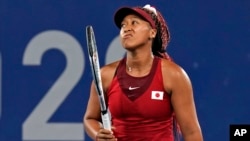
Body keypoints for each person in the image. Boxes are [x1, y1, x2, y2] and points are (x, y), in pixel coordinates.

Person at [83, 4, 203, 141]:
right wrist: (98, 134)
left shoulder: (174, 75)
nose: (126, 28)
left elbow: (192, 133)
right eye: (123, 25)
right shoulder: (105, 75)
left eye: (134, 22)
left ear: (152, 32)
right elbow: (90, 118)